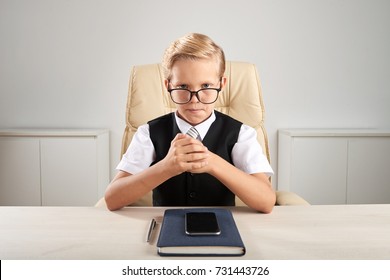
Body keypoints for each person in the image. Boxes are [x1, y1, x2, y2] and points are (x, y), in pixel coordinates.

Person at [105, 33, 276, 213]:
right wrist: (166, 167)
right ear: (168, 86)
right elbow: (112, 199)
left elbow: (266, 201)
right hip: (165, 226)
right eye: (183, 87)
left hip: (221, 227)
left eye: (206, 86)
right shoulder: (148, 132)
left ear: (222, 84)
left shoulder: (241, 134)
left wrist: (212, 162)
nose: (195, 99)